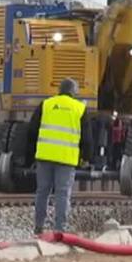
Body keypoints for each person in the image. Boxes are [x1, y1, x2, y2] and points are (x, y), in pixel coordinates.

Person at [27, 78, 90, 234]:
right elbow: (87, 138)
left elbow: (31, 131)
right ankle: (59, 229)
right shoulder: (80, 108)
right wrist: (85, 158)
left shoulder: (46, 104)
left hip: (44, 157)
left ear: (59, 90)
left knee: (42, 192)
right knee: (62, 194)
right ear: (74, 92)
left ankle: (38, 227)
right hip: (66, 159)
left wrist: (31, 155)